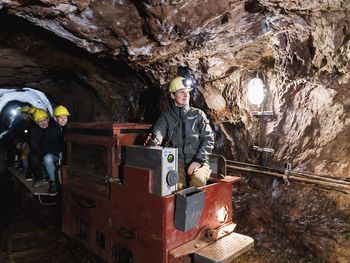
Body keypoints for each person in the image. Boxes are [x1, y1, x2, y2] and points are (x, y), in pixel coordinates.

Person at [145, 76, 214, 190]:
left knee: (197, 185)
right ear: (172, 95)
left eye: (187, 92)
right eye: (181, 92)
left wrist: (198, 160)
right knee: (175, 187)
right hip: (176, 163)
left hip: (198, 161)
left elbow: (208, 139)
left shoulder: (198, 115)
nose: (186, 95)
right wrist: (155, 140)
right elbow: (159, 130)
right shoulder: (166, 117)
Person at [41, 105, 70, 194]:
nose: (63, 120)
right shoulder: (50, 130)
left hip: (68, 154)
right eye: (60, 118)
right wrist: (58, 152)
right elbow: (44, 146)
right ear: (55, 118)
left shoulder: (70, 127)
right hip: (56, 154)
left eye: (65, 117)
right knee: (47, 158)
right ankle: (54, 182)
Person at [28, 109, 49, 187]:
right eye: (40, 121)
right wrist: (42, 154)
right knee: (33, 157)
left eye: (44, 120)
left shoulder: (52, 128)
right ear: (37, 123)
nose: (43, 123)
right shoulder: (34, 131)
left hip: (51, 151)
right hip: (40, 152)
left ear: (48, 119)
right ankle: (39, 178)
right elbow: (34, 145)